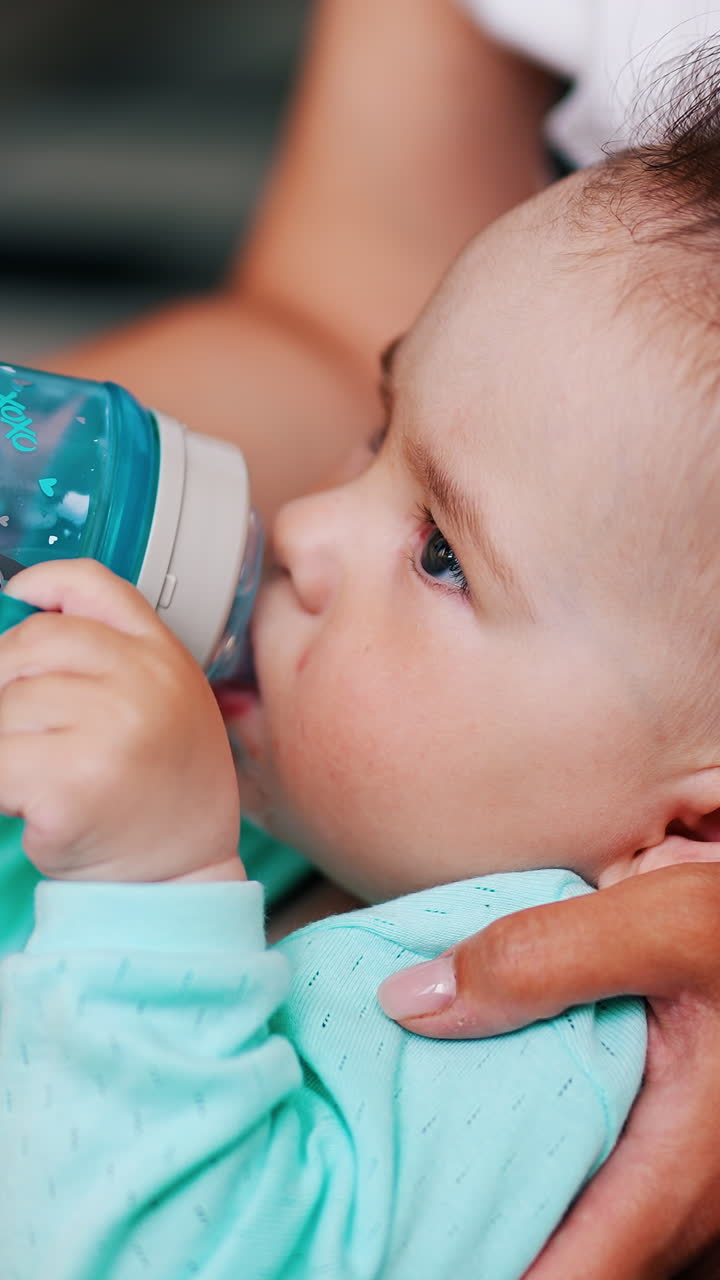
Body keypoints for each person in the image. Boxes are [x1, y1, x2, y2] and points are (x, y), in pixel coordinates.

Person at [37, 5, 720, 1275]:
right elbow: (325, 311)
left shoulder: (536, 1048)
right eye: (377, 430)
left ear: (691, 841)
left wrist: (148, 897)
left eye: (442, 553)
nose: (300, 525)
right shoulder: (309, 803)